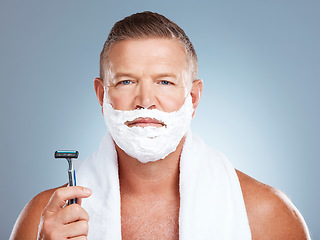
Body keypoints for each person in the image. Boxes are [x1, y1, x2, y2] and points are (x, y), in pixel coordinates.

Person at [10, 11, 310, 240]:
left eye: (164, 82)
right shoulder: (45, 218)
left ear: (192, 97)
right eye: (127, 81)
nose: (145, 101)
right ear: (102, 95)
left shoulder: (266, 214)